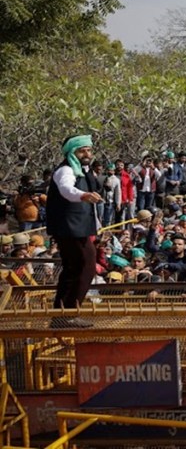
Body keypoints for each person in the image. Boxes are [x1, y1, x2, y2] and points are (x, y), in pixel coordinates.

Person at [46, 134, 103, 327]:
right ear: (72, 152)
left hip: (77, 227)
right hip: (70, 228)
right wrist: (83, 195)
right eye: (82, 151)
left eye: (89, 150)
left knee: (73, 268)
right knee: (86, 265)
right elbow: (66, 189)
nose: (87, 154)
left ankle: (61, 314)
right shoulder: (66, 170)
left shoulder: (83, 170)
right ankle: (69, 312)